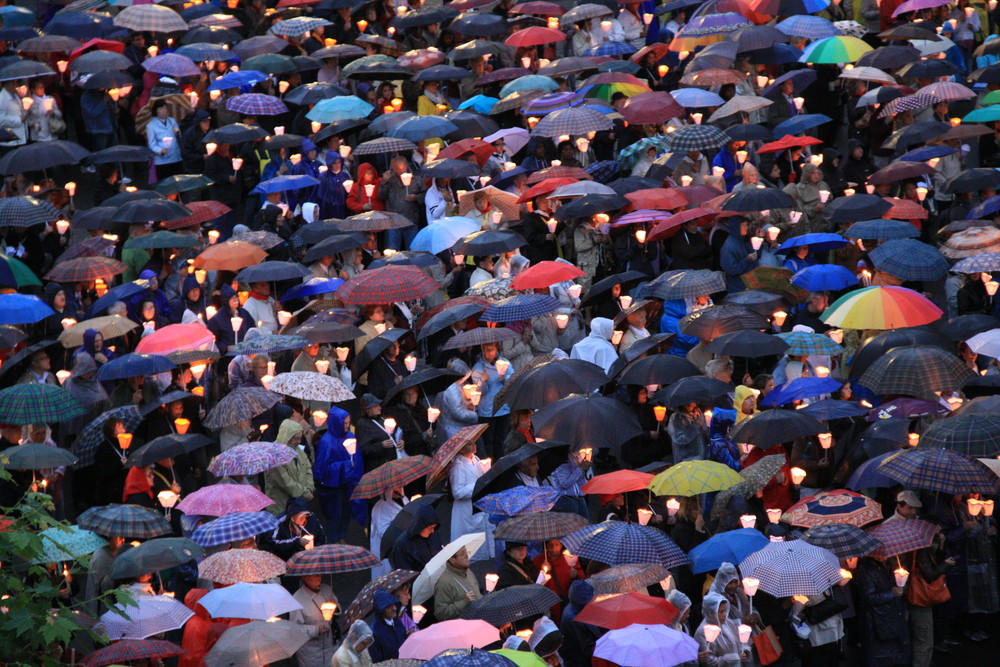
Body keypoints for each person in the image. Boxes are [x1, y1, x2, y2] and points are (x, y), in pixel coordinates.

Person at [265, 419, 316, 514]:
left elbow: (308, 469)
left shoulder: (298, 451)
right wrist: (305, 493)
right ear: (287, 436)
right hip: (280, 507)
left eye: (300, 438)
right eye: (296, 438)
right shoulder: (274, 455)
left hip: (298, 505)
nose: (298, 441)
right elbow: (286, 482)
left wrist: (310, 488)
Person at [289, 574, 337, 667]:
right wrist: (316, 630)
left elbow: (337, 607)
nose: (319, 578)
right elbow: (295, 629)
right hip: (311, 653)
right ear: (304, 577)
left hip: (330, 645)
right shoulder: (297, 599)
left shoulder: (326, 589)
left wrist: (335, 608)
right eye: (315, 575)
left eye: (320, 574)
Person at [433, 545, 482, 620]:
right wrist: (464, 602)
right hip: (462, 625)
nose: (466, 556)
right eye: (462, 554)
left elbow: (477, 594)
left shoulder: (468, 571)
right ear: (452, 559)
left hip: (479, 617)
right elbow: (441, 613)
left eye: (466, 552)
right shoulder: (444, 582)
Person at [368, 590, 408, 662]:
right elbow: (377, 661)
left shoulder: (397, 622)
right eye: (388, 607)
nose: (394, 608)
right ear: (381, 610)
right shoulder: (375, 633)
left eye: (393, 604)